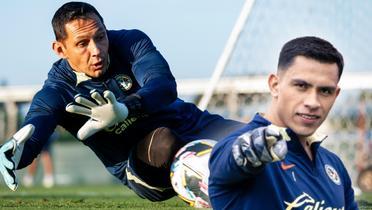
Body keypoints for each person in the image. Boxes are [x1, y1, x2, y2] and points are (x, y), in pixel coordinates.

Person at [0, 1, 244, 201]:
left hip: (193, 124)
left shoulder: (130, 43)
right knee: (164, 141)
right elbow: (33, 133)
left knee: (256, 137)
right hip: (146, 163)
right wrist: (15, 154)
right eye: (82, 44)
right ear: (60, 50)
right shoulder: (56, 92)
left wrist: (127, 107)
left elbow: (164, 85)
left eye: (101, 37)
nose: (96, 50)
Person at [208, 36, 359, 209]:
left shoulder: (334, 164)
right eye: (301, 86)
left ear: (336, 95)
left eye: (325, 91)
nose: (313, 102)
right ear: (275, 85)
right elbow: (228, 160)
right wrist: (247, 151)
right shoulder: (244, 146)